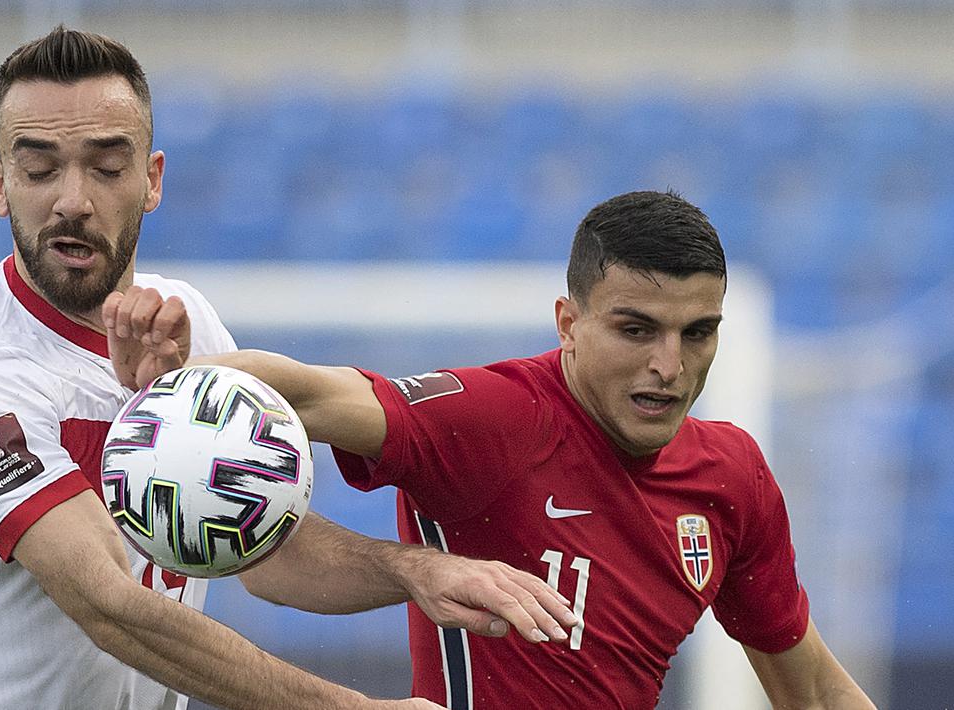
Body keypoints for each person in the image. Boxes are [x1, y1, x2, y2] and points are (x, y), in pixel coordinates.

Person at [0, 26, 580, 710]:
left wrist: (416, 570)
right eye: (39, 169)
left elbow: (266, 551)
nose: (72, 198)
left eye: (105, 166)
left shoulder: (185, 319)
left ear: (151, 180)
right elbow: (109, 606)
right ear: (0, 184)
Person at [109, 190, 876, 708]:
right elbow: (309, 394)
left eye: (696, 333)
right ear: (568, 324)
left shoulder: (732, 476)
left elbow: (806, 686)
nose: (669, 367)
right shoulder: (495, 420)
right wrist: (188, 383)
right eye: (635, 329)